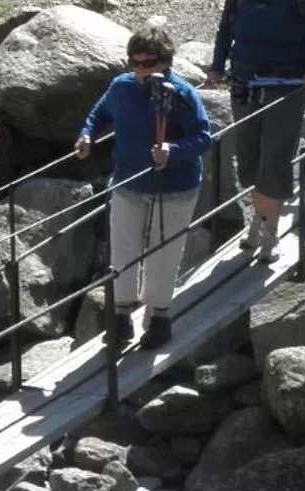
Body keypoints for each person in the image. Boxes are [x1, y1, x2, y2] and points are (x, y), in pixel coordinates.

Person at [76, 24, 213, 349]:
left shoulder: (182, 94)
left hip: (175, 186)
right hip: (128, 181)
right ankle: (121, 318)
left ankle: (159, 320)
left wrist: (173, 152)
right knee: (123, 251)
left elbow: (204, 138)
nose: (141, 70)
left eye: (148, 63)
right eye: (134, 63)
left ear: (165, 61)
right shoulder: (121, 87)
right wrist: (86, 135)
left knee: (163, 255)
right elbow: (100, 112)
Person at [205, 0, 305, 263]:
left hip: (286, 88)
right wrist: (217, 67)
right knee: (248, 161)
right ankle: (258, 222)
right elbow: (225, 29)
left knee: (274, 161)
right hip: (245, 84)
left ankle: (271, 233)